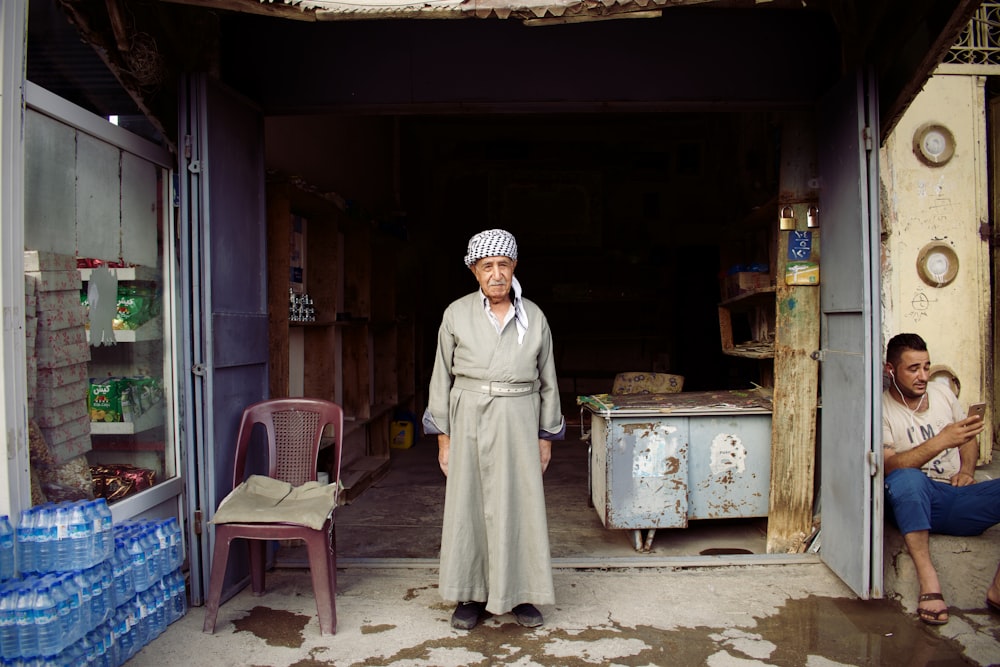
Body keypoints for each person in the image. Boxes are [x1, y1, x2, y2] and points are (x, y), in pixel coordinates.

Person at [422, 228, 565, 630]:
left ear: (514, 266)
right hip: (467, 418)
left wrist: (545, 437)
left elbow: (548, 379)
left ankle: (519, 594)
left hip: (520, 418)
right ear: (474, 271)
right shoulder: (455, 314)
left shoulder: (534, 316)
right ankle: (471, 595)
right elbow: (440, 379)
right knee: (468, 506)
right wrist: (444, 439)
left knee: (518, 506)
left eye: (504, 265)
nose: (497, 274)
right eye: (488, 266)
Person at [882, 333, 1000, 625]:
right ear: (890, 370)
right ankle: (930, 583)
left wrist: (967, 471)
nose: (923, 376)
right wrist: (941, 440)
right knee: (906, 478)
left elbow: (966, 438)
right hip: (916, 500)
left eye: (926, 366)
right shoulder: (881, 408)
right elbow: (889, 467)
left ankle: (998, 588)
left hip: (957, 496)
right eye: (913, 369)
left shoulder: (942, 393)